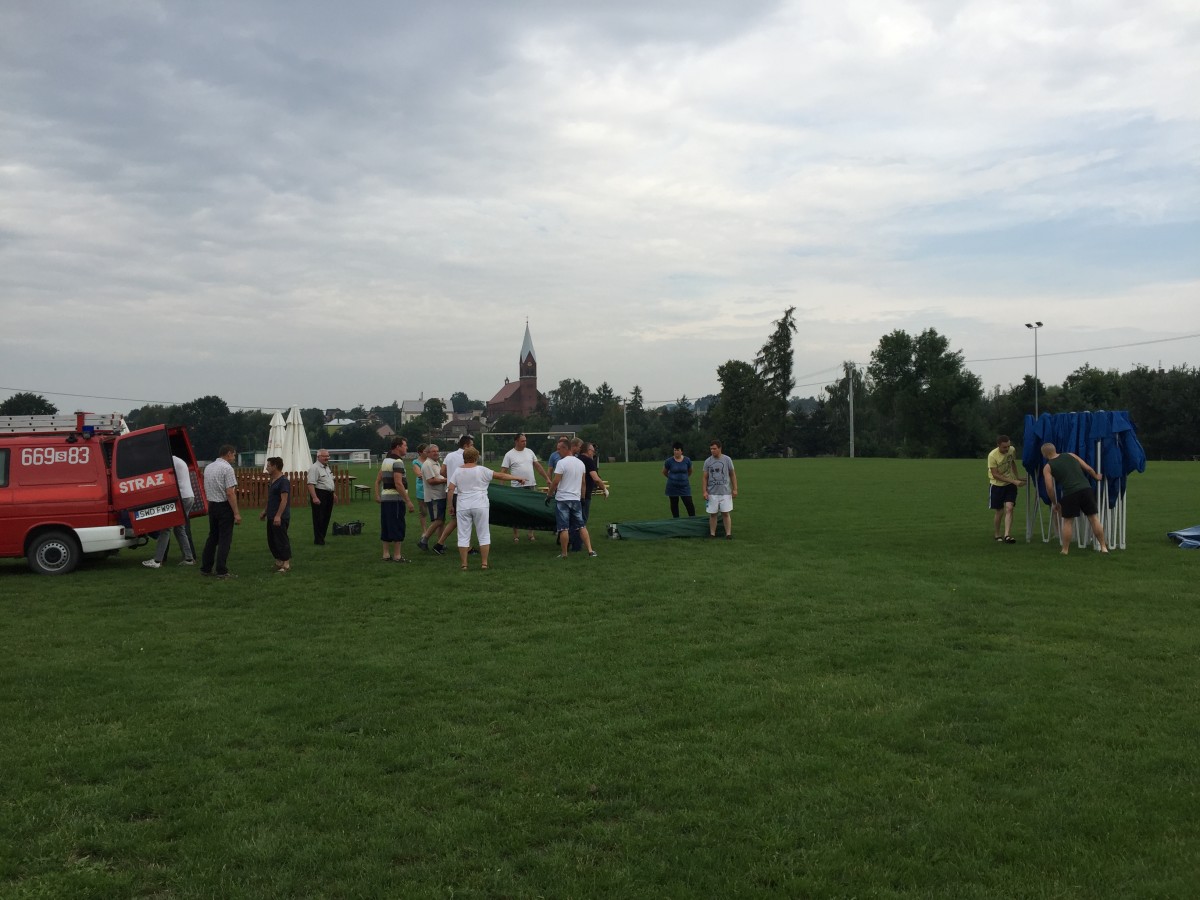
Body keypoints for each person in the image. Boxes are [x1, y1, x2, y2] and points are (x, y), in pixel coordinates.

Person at [447, 447, 525, 570]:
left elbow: (451, 488)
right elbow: (500, 475)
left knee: (463, 535)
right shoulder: (482, 470)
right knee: (483, 534)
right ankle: (484, 563)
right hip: (480, 505)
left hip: (463, 506)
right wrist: (517, 478)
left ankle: (464, 565)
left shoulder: (457, 471)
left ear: (464, 458)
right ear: (476, 457)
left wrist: (450, 505)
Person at [1041, 443, 1110, 555]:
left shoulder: (1048, 467)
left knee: (1068, 522)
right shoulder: (1071, 455)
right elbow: (1088, 468)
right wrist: (1096, 476)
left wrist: (1055, 503)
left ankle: (1065, 550)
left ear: (1044, 454)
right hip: (1086, 489)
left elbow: (1049, 487)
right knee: (1093, 518)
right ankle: (1103, 547)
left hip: (1070, 493)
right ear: (1055, 449)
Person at [143, 454, 196, 568]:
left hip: (180, 498)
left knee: (166, 528)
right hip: (188, 496)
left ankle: (157, 561)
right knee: (179, 529)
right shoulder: (178, 460)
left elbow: (163, 480)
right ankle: (189, 558)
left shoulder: (169, 462)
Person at [548, 440, 597, 559]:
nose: (558, 452)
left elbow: (555, 481)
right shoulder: (580, 463)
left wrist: (549, 495)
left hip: (562, 500)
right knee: (581, 526)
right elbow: (583, 483)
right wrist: (583, 498)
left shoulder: (561, 463)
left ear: (566, 448)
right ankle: (590, 551)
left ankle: (564, 553)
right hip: (576, 499)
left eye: (559, 449)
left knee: (563, 528)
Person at [500, 432, 551, 542]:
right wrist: (502, 486)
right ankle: (516, 535)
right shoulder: (509, 454)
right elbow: (503, 472)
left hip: (531, 485)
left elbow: (538, 466)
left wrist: (547, 478)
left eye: (525, 441)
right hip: (517, 488)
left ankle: (531, 533)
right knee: (515, 511)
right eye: (522, 441)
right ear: (516, 441)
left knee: (532, 510)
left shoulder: (530, 452)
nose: (525, 443)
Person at [200, 444, 241, 579]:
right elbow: (230, 492)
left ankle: (206, 568)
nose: (234, 457)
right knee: (225, 539)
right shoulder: (227, 469)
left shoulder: (209, 467)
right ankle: (221, 570)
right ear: (228, 454)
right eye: (234, 455)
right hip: (224, 506)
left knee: (213, 537)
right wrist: (236, 513)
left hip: (212, 505)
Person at [374, 436, 415, 562]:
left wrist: (377, 494)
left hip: (386, 499)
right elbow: (398, 483)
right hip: (396, 499)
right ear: (398, 447)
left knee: (386, 525)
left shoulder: (386, 461)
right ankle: (397, 556)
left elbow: (378, 480)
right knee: (398, 525)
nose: (406, 448)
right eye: (405, 445)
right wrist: (408, 501)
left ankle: (386, 554)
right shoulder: (397, 462)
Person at [432, 434, 474, 556]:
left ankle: (440, 544)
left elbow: (442, 471)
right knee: (463, 521)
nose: (473, 447)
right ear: (466, 446)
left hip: (451, 492)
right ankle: (466, 547)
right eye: (471, 445)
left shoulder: (449, 456)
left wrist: (451, 478)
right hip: (462, 493)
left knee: (456, 521)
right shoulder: (467, 457)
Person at [987, 434, 1027, 543]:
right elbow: (995, 474)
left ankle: (1007, 535)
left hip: (1010, 485)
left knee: (1009, 508)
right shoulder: (992, 456)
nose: (1007, 449)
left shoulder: (1012, 450)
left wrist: (1017, 476)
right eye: (1004, 447)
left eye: (1008, 446)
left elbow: (1012, 462)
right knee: (999, 511)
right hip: (997, 485)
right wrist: (1014, 481)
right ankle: (997, 534)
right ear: (998, 445)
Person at [259, 456, 292, 573]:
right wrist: (265, 512)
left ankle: (286, 563)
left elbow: (284, 500)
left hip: (280, 517)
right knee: (272, 541)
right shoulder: (272, 480)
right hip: (271, 515)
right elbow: (271, 499)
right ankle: (279, 562)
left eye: (268, 466)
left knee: (281, 540)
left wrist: (278, 516)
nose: (266, 468)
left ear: (275, 466)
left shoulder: (283, 481)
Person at [702, 440, 737, 539]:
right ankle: (712, 534)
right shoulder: (708, 461)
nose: (712, 451)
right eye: (711, 449)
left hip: (725, 492)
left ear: (720, 448)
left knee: (725, 513)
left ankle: (728, 534)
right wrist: (704, 491)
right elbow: (705, 477)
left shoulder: (727, 459)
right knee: (713, 514)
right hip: (712, 493)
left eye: (714, 449)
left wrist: (735, 489)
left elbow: (732, 474)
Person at [417, 444, 447, 550]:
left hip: (440, 496)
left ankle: (440, 543)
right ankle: (424, 540)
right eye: (433, 451)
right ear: (427, 453)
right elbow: (431, 480)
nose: (436, 453)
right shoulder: (427, 464)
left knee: (441, 521)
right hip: (434, 497)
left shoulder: (436, 463)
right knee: (438, 520)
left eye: (437, 451)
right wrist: (446, 480)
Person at [306, 448, 335, 545]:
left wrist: (333, 494)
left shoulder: (327, 467)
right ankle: (318, 540)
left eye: (328, 456)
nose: (327, 458)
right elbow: (310, 484)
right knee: (319, 518)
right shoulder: (314, 468)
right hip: (320, 494)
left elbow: (329, 481)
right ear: (318, 457)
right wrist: (314, 497)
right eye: (324, 456)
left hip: (329, 494)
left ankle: (322, 537)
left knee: (326, 517)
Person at [662, 442, 695, 517]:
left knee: (689, 503)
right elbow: (664, 472)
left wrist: (684, 478)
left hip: (685, 487)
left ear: (681, 451)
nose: (676, 452)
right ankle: (676, 520)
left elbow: (690, 471)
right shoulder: (669, 461)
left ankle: (693, 519)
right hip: (672, 487)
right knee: (674, 505)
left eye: (678, 450)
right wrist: (672, 478)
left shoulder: (687, 460)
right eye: (675, 450)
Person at [411, 444, 428, 538]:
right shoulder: (416, 462)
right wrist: (432, 476)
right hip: (422, 490)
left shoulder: (431, 461)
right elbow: (419, 474)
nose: (428, 452)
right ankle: (424, 531)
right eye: (425, 451)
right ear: (420, 452)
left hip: (433, 489)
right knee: (423, 511)